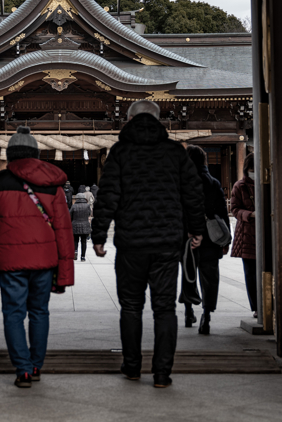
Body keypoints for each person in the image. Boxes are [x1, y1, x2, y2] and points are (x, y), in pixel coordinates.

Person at [91, 100, 203, 389]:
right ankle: (162, 374)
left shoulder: (120, 152)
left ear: (128, 120)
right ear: (158, 120)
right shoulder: (175, 153)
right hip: (167, 243)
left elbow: (108, 196)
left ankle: (131, 367)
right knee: (164, 308)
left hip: (130, 242)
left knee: (131, 306)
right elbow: (192, 193)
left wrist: (100, 236)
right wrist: (196, 229)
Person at [0, 126, 74, 388]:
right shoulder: (54, 185)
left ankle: (23, 370)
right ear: (36, 154)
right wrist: (66, 269)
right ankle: (36, 364)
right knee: (40, 311)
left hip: (10, 262)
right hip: (45, 260)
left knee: (13, 313)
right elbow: (64, 231)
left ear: (10, 156)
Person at [181, 145, 230, 335]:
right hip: (210, 237)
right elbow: (222, 213)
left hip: (187, 238)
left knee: (188, 275)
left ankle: (187, 312)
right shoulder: (213, 183)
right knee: (210, 278)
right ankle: (206, 317)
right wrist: (226, 240)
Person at [230, 152, 258, 318]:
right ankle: (255, 307)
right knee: (251, 273)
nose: (254, 173)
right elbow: (234, 209)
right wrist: (250, 215)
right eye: (251, 169)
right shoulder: (239, 186)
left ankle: (271, 304)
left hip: (266, 232)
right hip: (247, 233)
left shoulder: (268, 183)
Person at [70, 194, 92, 261]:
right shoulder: (87, 206)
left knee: (75, 240)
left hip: (75, 225)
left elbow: (70, 215)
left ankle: (75, 252)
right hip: (85, 225)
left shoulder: (74, 206)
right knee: (84, 242)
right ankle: (83, 257)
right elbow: (89, 214)